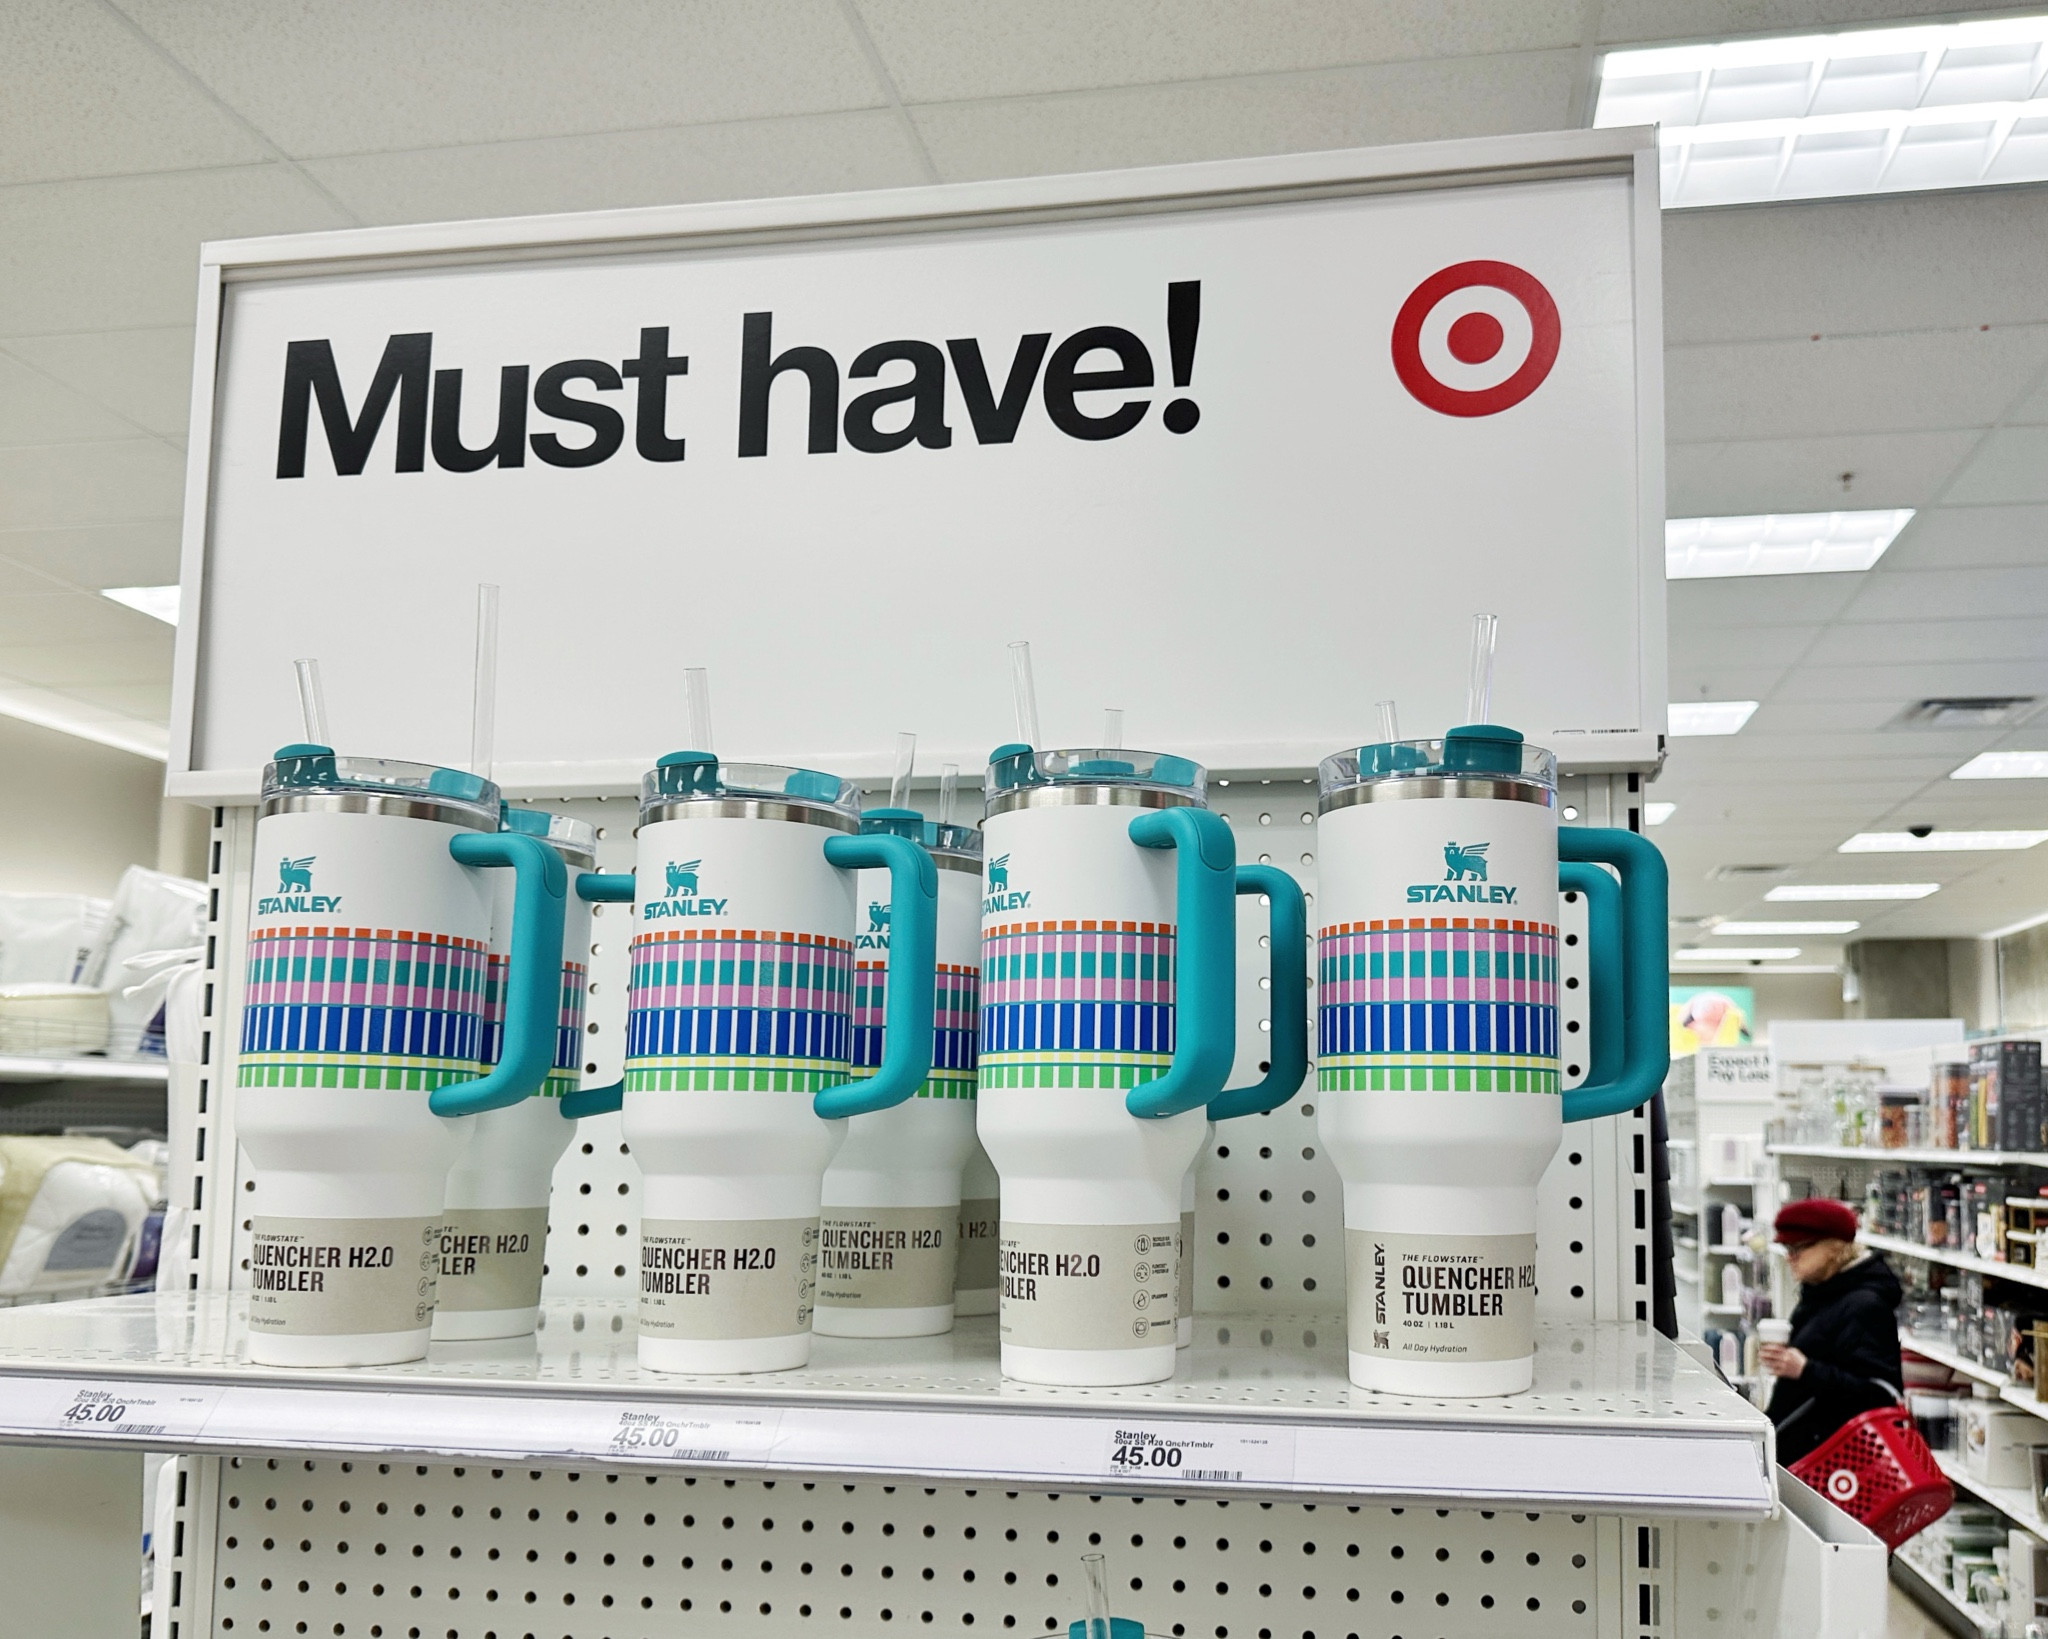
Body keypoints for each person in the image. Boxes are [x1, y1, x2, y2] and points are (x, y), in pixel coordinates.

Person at [1759, 1198, 1904, 1467]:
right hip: (1809, 1458)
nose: (1790, 1257)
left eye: (1798, 1248)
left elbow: (1880, 1395)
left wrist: (1806, 1370)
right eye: (1786, 1248)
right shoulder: (1819, 1293)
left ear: (1832, 1247)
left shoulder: (1865, 1306)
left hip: (1837, 1466)